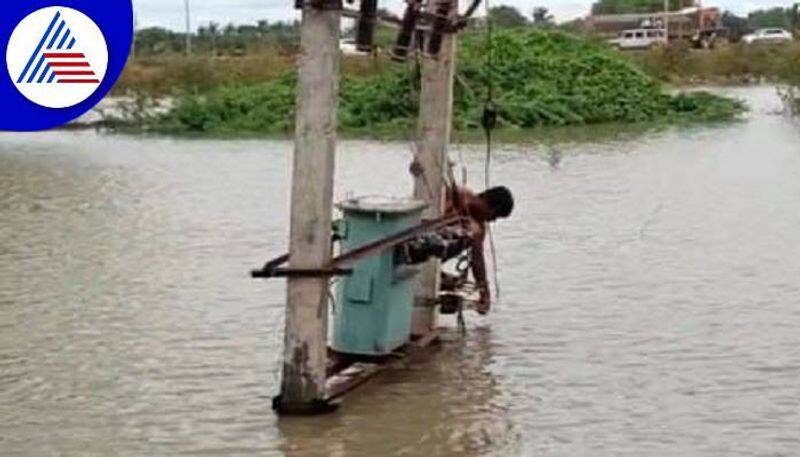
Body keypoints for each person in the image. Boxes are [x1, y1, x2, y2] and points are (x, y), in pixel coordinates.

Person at [444, 185, 514, 314]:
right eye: (495, 215)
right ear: (488, 203)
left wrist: (484, 291)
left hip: (436, 255)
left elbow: (477, 259)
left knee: (458, 284)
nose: (492, 220)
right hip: (425, 236)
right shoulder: (461, 195)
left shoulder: (479, 228)